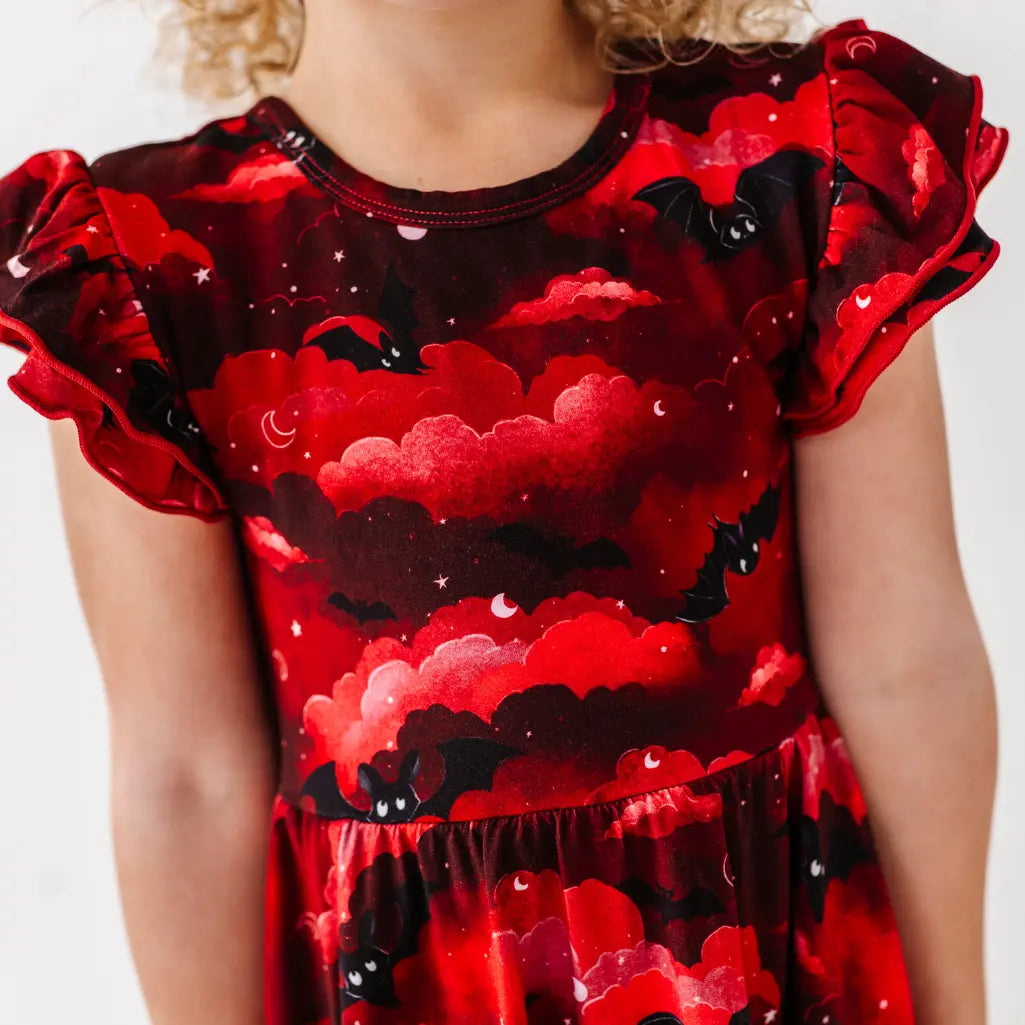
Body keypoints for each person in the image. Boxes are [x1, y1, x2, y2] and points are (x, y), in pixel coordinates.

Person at [0, 1, 1007, 1023]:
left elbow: (903, 661)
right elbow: (187, 771)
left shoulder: (789, 164)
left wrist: (956, 1004)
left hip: (767, 961)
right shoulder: (148, 263)